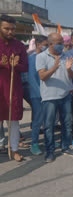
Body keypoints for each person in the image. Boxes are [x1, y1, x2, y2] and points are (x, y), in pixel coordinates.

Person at [36, 32, 73, 162]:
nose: (62, 45)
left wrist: (69, 69)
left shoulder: (68, 56)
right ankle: (50, 151)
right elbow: (42, 76)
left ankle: (65, 147)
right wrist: (54, 67)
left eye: (63, 43)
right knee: (49, 125)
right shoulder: (41, 57)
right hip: (49, 97)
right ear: (50, 44)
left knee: (66, 123)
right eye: (59, 43)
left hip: (65, 95)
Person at [0, 15, 28, 162]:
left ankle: (14, 148)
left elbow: (25, 67)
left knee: (14, 121)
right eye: (6, 28)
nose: (10, 32)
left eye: (13, 29)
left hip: (13, 88)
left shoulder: (19, 46)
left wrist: (15, 64)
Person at [28, 35, 48, 155]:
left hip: (48, 94)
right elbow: (32, 78)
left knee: (47, 119)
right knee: (38, 120)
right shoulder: (32, 58)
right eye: (45, 44)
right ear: (38, 44)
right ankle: (34, 144)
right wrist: (40, 93)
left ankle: (48, 140)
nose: (46, 47)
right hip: (37, 95)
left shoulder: (47, 57)